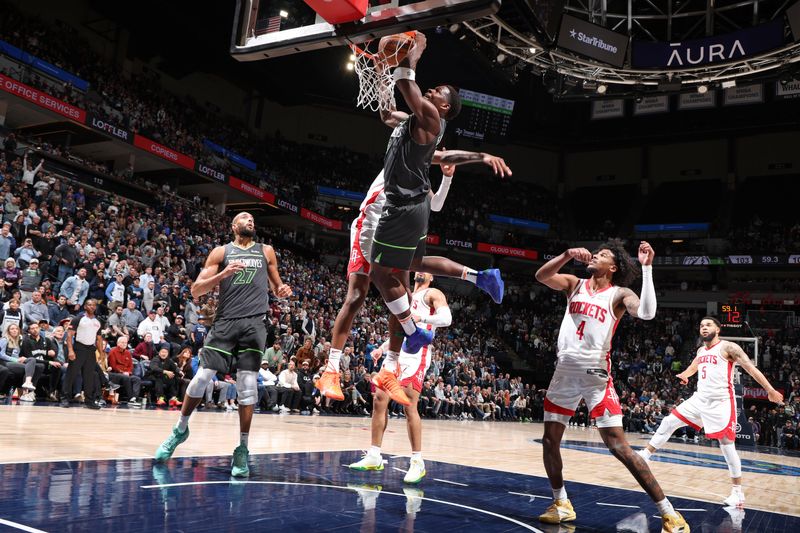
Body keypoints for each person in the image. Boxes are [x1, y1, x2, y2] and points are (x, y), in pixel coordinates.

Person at [317, 162, 509, 404]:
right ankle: (331, 370)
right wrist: (476, 155)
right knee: (358, 295)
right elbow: (427, 146)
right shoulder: (405, 150)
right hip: (371, 224)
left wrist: (447, 178)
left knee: (403, 294)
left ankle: (389, 369)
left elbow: (436, 205)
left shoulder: (420, 175)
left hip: (395, 230)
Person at [534, 241, 688, 531]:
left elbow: (646, 313)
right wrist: (567, 255)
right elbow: (541, 276)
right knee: (549, 441)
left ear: (613, 267)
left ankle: (669, 513)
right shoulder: (574, 284)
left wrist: (647, 267)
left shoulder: (619, 294)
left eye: (602, 255)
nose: (595, 256)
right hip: (563, 373)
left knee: (619, 447)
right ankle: (561, 503)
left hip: (596, 375)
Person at [154, 212, 292, 478]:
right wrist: (223, 275)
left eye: (253, 218)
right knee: (201, 378)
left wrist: (282, 290)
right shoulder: (221, 252)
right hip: (225, 322)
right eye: (244, 217)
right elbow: (196, 290)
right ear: (233, 226)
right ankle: (180, 429)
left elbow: (277, 286)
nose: (250, 220)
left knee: (248, 386)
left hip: (254, 324)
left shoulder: (266, 251)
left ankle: (242, 448)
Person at [638, 316, 784, 507]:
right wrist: (685, 375)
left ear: (718, 329)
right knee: (669, 421)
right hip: (700, 399)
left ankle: (737, 493)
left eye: (708, 325)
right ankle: (646, 455)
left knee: (726, 445)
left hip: (721, 402)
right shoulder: (700, 350)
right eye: (701, 325)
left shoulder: (729, 348)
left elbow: (750, 368)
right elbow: (695, 365)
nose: (704, 328)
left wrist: (770, 390)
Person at [349, 272, 451, 484]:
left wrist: (423, 318)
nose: (421, 271)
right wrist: (382, 347)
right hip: (398, 351)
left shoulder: (433, 293)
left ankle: (417, 461)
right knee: (379, 399)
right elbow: (399, 329)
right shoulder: (405, 295)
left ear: (431, 277)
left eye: (426, 269)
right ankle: (374, 455)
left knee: (409, 404)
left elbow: (446, 319)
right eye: (418, 268)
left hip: (418, 352)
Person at [60, 299, 104, 409]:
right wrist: (70, 351)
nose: (92, 307)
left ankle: (89, 401)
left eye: (94, 305)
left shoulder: (98, 321)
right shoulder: (78, 319)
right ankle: (65, 398)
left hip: (91, 350)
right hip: (79, 348)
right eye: (89, 305)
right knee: (71, 374)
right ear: (85, 307)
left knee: (89, 376)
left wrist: (101, 353)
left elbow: (98, 339)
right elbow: (69, 336)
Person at [0, 323, 43, 401]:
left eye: (16, 329)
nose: (14, 330)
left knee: (35, 363)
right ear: (8, 331)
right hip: (6, 363)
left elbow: (18, 355)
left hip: (15, 363)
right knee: (30, 366)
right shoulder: (4, 339)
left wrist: (21, 359)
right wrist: (16, 360)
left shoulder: (19, 341)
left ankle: (28, 385)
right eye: (12, 329)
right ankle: (26, 392)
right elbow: (1, 355)